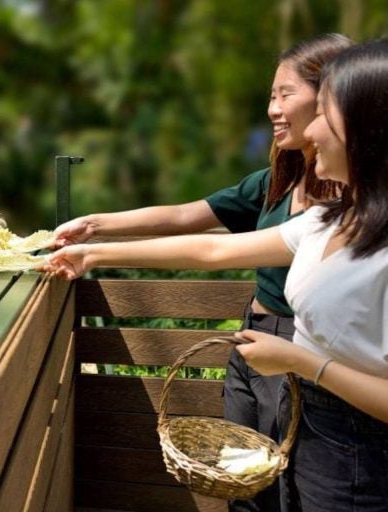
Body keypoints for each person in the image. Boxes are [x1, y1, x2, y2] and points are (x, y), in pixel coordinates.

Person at [44, 38, 388, 511]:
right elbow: (210, 247)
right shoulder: (329, 218)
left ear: (368, 128)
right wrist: (92, 250)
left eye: (323, 112)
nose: (310, 132)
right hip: (307, 414)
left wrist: (303, 362)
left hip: (356, 441)